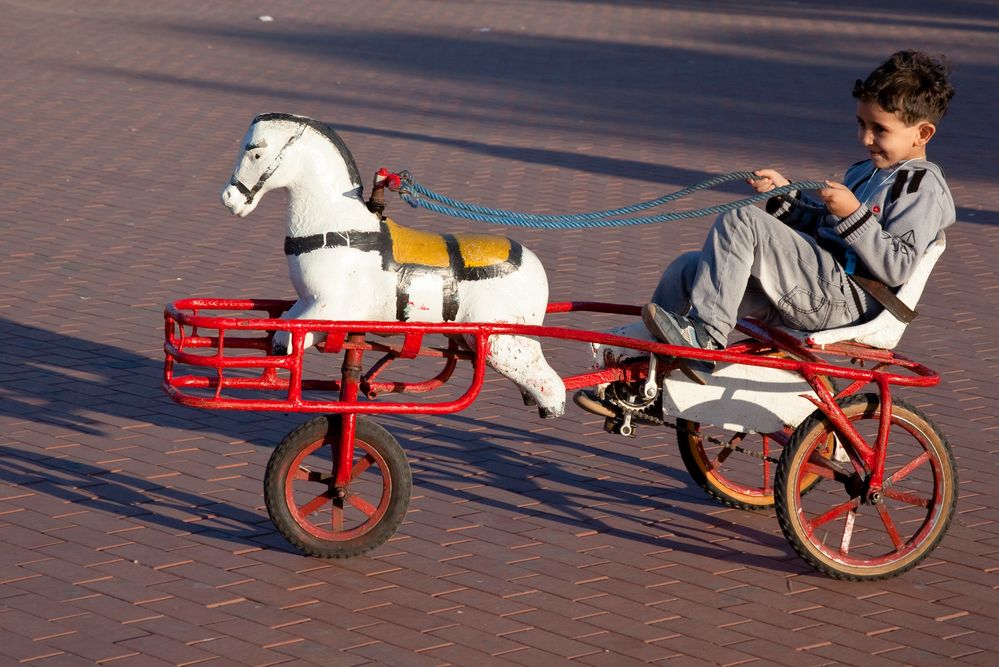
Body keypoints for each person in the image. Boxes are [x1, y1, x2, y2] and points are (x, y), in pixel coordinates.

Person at [643, 50, 956, 358]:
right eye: (862, 124)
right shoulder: (864, 171)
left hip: (848, 301)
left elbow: (898, 266)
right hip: (819, 285)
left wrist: (852, 213)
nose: (865, 138)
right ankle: (647, 367)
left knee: (741, 218)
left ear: (923, 134)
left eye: (880, 130)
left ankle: (706, 340)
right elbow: (822, 229)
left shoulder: (921, 188)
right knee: (687, 269)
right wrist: (784, 195)